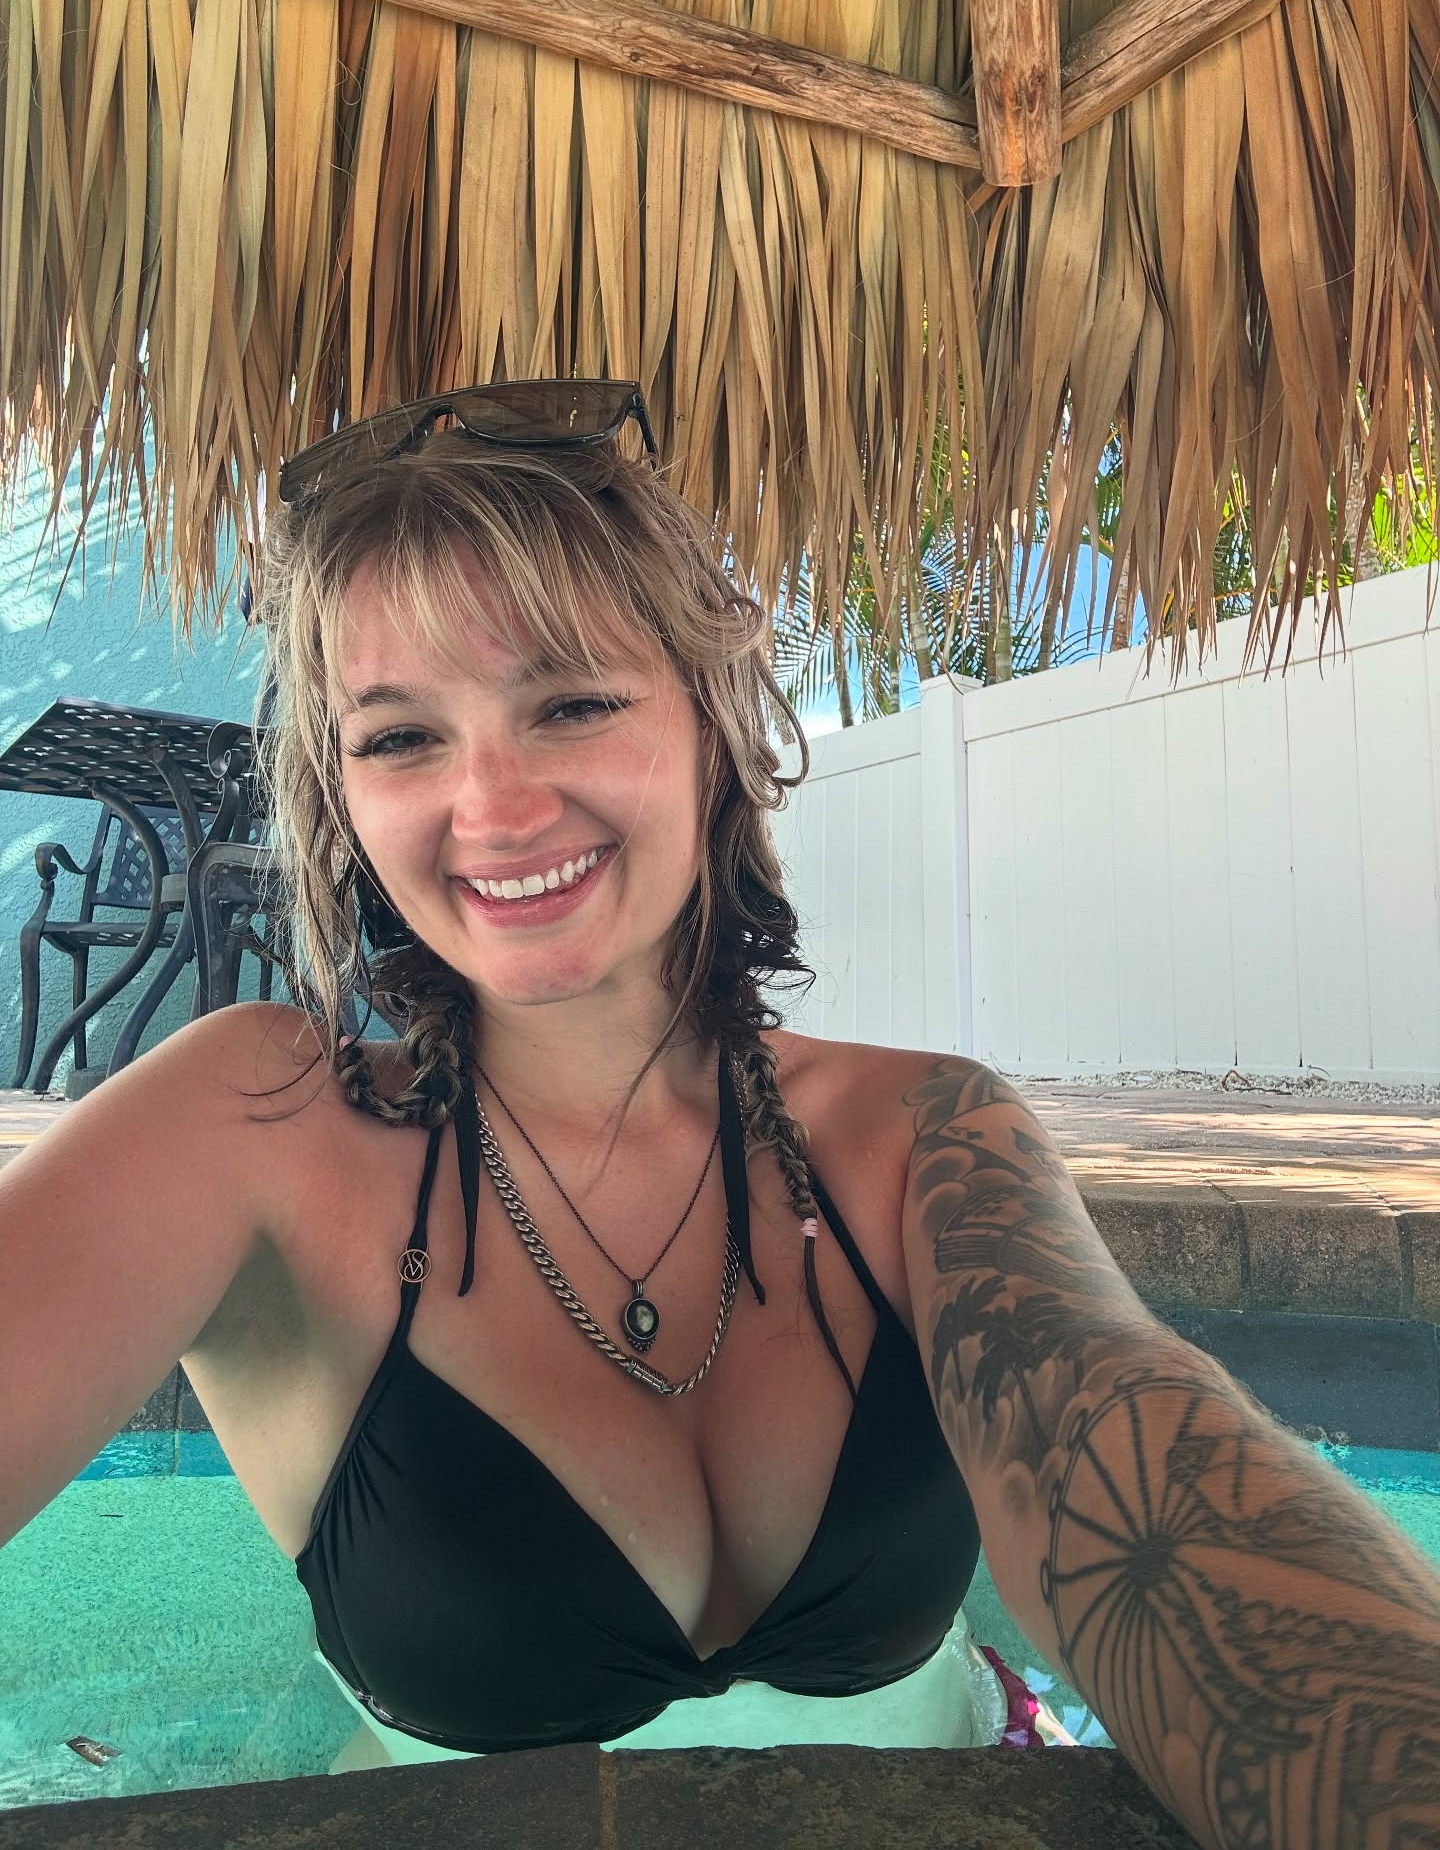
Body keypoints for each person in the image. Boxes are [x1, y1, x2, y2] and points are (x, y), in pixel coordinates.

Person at [2, 382, 1437, 1844]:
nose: (493, 808)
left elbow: (1132, 1460)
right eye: (400, 738)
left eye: (572, 703)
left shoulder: (924, 1134)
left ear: (711, 720)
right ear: (342, 796)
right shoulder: (254, 1129)